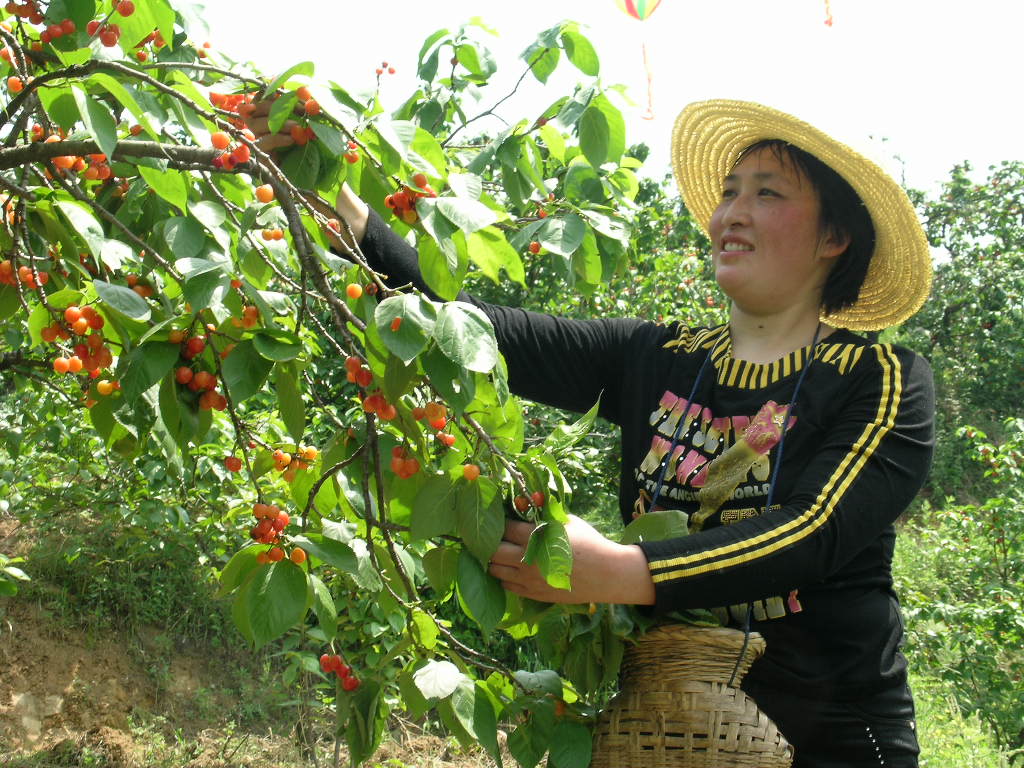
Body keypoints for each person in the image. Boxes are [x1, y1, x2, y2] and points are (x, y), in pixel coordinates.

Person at [263, 99, 935, 767]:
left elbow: (811, 531)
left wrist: (618, 571)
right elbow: (464, 329)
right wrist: (333, 195)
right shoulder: (658, 358)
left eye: (767, 194)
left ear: (833, 237)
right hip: (672, 735)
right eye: (729, 193)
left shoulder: (880, 380)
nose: (732, 214)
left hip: (835, 742)